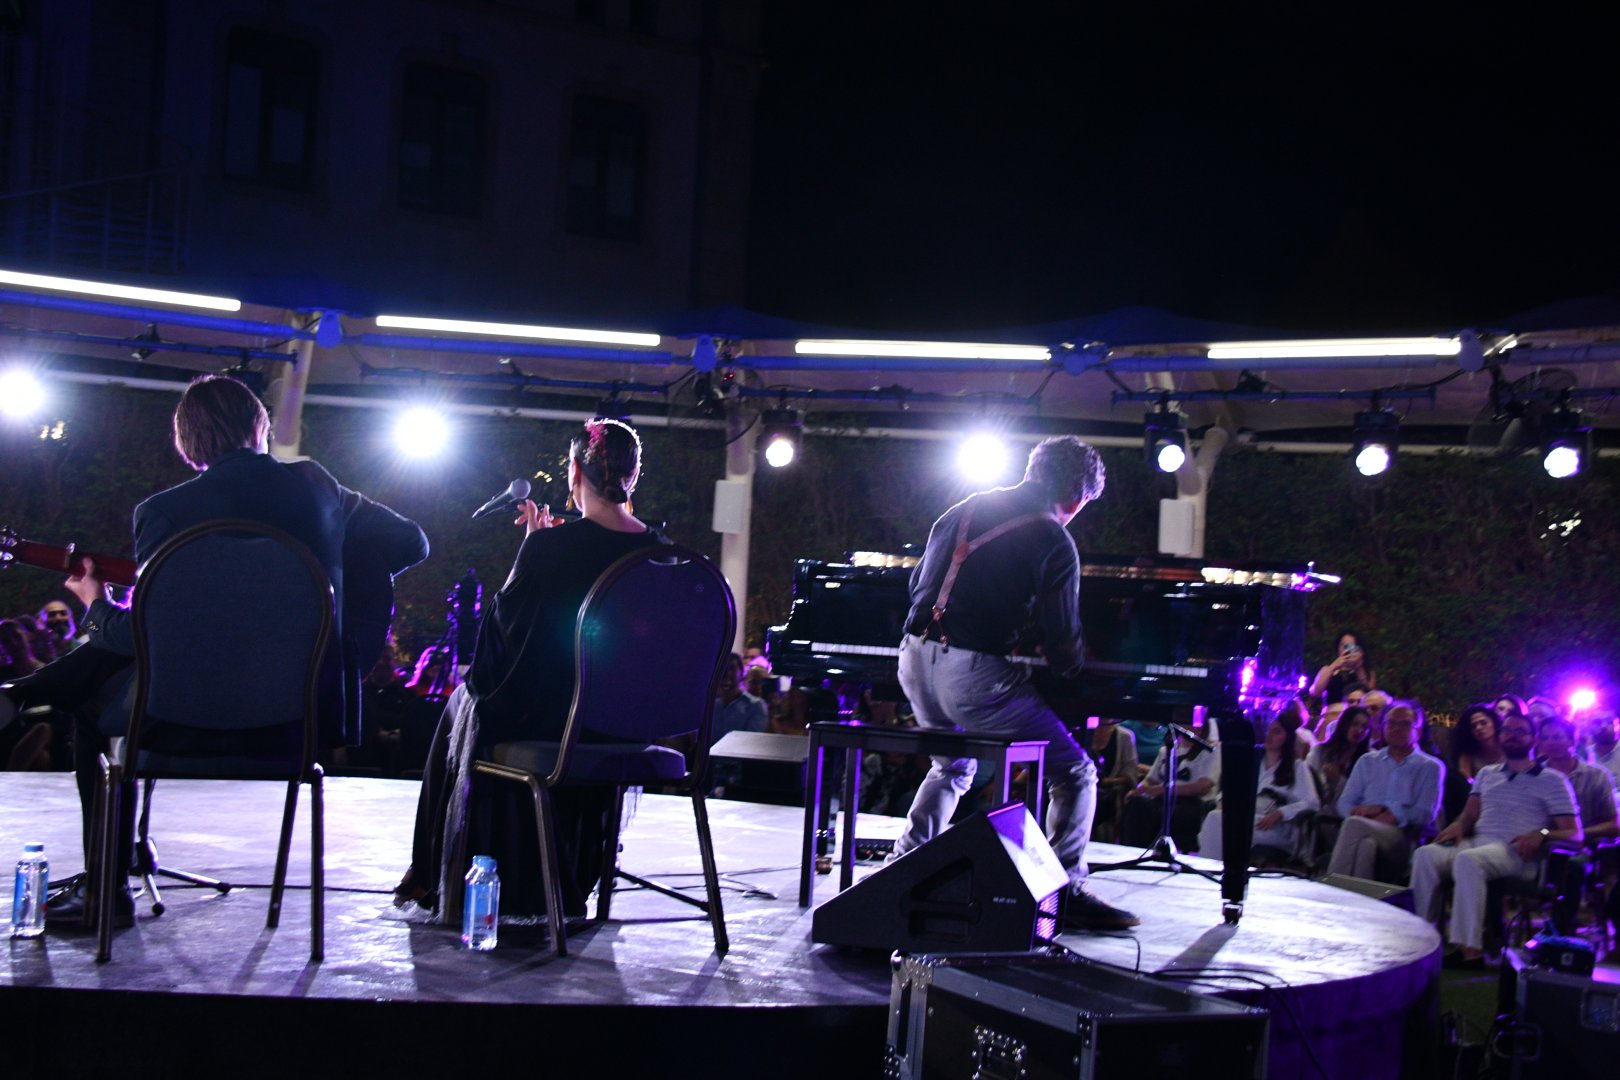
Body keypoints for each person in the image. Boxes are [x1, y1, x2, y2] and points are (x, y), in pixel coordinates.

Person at [1, 374, 429, 925]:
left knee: (92, 704)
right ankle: (29, 703)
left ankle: (106, 892)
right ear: (261, 426)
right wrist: (337, 597)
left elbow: (138, 639)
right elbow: (412, 543)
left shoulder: (162, 512)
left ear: (188, 446)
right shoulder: (319, 488)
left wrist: (95, 603)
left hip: (180, 716)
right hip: (300, 717)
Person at [397, 418, 664, 920]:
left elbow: (502, 654)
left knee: (463, 702)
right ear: (633, 477)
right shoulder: (663, 555)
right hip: (629, 728)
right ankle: (569, 875)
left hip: (554, 725)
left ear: (573, 474)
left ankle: (434, 872)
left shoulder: (549, 548)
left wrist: (533, 551)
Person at [890, 435, 1136, 930]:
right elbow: (1064, 642)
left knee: (952, 766)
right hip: (973, 676)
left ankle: (902, 864)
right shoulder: (1053, 538)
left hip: (913, 660)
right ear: (1075, 496)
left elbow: (918, 588)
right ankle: (1066, 888)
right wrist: (1074, 673)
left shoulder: (962, 508)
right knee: (1076, 772)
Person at [1411, 711, 1581, 969]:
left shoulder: (1552, 780)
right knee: (1425, 854)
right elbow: (1469, 815)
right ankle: (1421, 941)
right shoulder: (1487, 774)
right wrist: (1457, 826)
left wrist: (1543, 833)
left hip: (1517, 853)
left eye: (1519, 732)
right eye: (1507, 731)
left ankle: (1469, 951)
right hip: (1479, 843)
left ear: (1533, 739)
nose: (1512, 736)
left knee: (1469, 860)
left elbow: (1574, 833)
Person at [1325, 702, 1444, 882]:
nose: (1396, 729)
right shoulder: (1367, 761)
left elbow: (1426, 813)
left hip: (1401, 835)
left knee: (1354, 825)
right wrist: (1359, 812)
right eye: (1391, 723)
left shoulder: (1430, 767)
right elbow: (1345, 802)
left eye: (1405, 724)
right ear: (1383, 728)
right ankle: (1362, 904)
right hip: (1365, 827)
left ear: (1418, 731)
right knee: (1366, 846)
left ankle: (1331, 890)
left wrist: (1390, 813)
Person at [1197, 711, 1318, 862]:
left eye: (1277, 731)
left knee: (1215, 821)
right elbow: (1233, 789)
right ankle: (1216, 868)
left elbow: (1312, 803)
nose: (1270, 735)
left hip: (1277, 827)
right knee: (1216, 819)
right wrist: (1224, 802)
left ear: (1287, 737)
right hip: (1250, 818)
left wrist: (1281, 813)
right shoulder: (1254, 763)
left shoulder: (1297, 767)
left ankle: (1210, 868)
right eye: (1269, 730)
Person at [1118, 727, 1221, 853]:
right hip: (1163, 800)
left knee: (1149, 812)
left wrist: (1161, 790)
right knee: (1136, 803)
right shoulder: (1167, 749)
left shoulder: (1212, 750)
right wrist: (1138, 790)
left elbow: (1203, 786)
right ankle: (1131, 853)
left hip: (1193, 804)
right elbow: (1150, 779)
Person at [1307, 703, 1371, 811]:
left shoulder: (1368, 759)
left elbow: (1362, 795)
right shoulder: (1320, 751)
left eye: (1364, 727)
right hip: (1315, 808)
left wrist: (1339, 781)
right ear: (1344, 724)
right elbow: (1307, 780)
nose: (1359, 730)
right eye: (1355, 724)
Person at [1309, 631, 1375, 706]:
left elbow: (1370, 695)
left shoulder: (1366, 671)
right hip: (1332, 713)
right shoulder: (1328, 669)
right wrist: (1334, 666)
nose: (1348, 650)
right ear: (1338, 648)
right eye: (1344, 645)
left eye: (1352, 646)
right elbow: (1315, 692)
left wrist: (1359, 667)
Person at [1586, 707, 1620, 787]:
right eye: (1597, 722)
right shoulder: (1585, 755)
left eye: (1609, 722)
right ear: (1589, 727)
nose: (1604, 726)